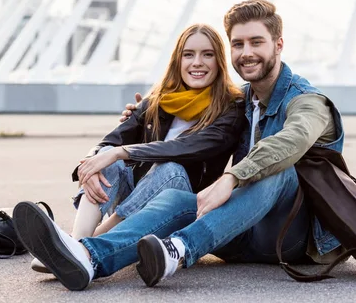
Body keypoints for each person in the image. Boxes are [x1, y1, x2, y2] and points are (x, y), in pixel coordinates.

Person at [13, 0, 345, 291]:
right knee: (177, 199)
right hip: (233, 231)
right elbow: (135, 132)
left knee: (278, 170)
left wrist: (231, 178)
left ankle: (177, 250)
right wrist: (127, 130)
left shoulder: (308, 101)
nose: (246, 53)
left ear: (279, 44)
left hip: (286, 238)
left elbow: (290, 142)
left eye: (256, 42)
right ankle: (86, 256)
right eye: (238, 44)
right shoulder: (241, 99)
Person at [28, 23, 246, 275]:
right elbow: (111, 140)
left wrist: (123, 152)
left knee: (171, 169)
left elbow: (188, 147)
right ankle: (77, 243)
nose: (197, 62)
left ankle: (79, 248)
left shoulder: (231, 107)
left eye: (207, 54)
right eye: (189, 54)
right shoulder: (157, 101)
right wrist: (91, 162)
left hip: (177, 208)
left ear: (219, 61)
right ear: (178, 60)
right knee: (104, 159)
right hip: (135, 197)